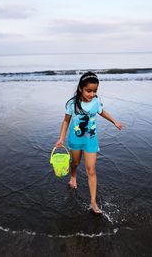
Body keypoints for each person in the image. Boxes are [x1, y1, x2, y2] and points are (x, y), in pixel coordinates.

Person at [55, 71, 123, 214]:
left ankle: (93, 202)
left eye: (95, 91)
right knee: (75, 163)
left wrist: (115, 121)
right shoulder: (72, 104)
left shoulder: (96, 101)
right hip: (75, 139)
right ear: (81, 88)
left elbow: (101, 111)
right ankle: (73, 176)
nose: (92, 94)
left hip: (91, 140)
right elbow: (66, 121)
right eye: (89, 91)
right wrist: (61, 138)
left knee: (91, 170)